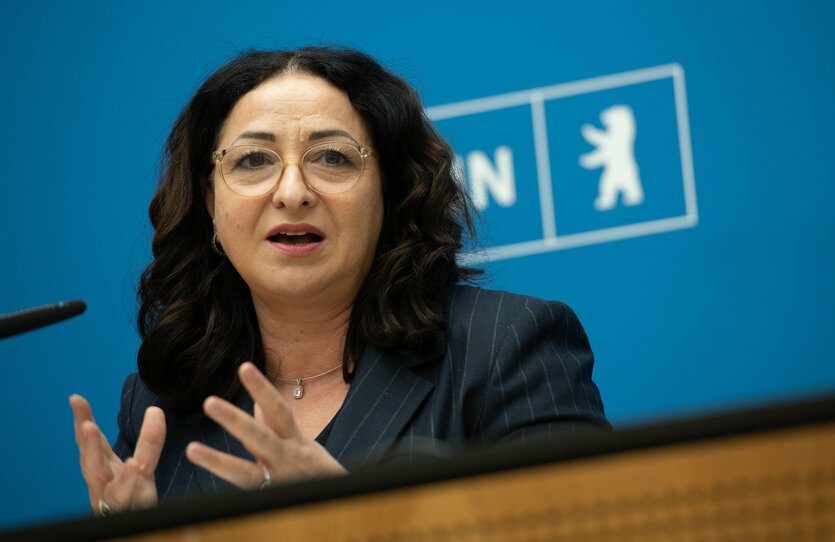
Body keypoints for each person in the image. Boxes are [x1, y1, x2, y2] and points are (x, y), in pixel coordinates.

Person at [69, 46, 609, 516]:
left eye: (332, 157)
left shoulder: (504, 346)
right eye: (254, 159)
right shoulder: (161, 402)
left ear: (390, 194)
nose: (292, 192)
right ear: (211, 203)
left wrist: (352, 524)